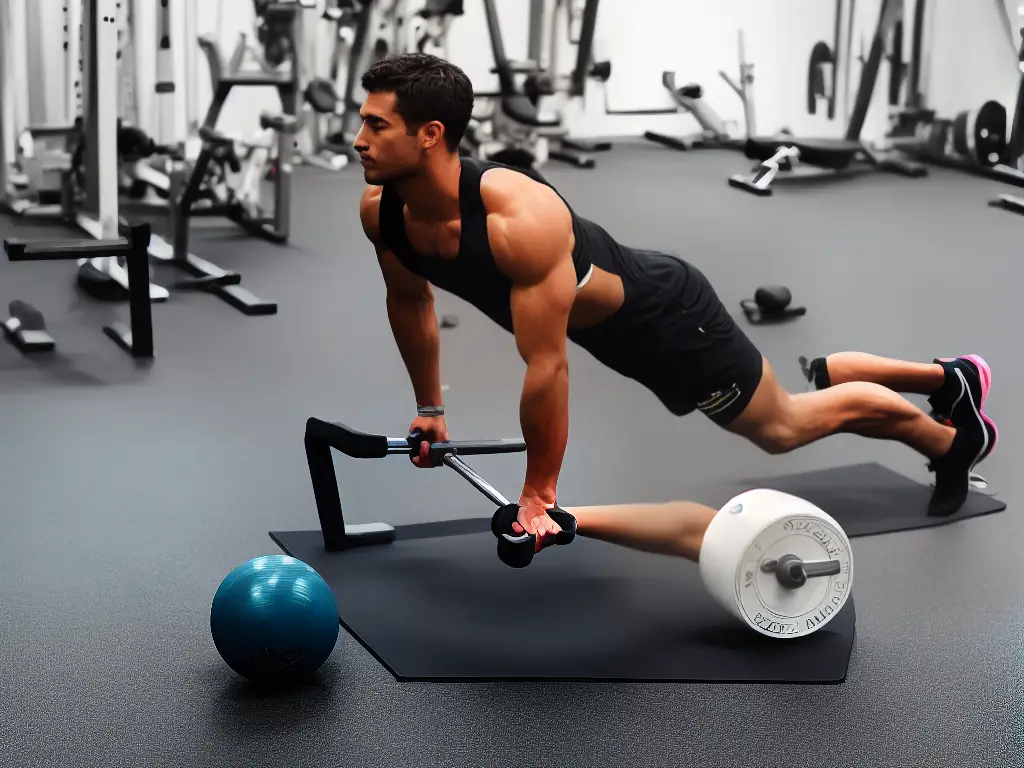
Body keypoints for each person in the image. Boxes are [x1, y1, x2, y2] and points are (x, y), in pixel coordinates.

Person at [354, 53, 997, 557]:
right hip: (612, 335)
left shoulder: (518, 219)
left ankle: (947, 438)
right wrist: (430, 409)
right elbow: (409, 301)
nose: (357, 138)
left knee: (781, 428)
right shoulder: (383, 213)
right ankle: (949, 379)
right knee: (782, 421)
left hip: (666, 317)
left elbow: (545, 366)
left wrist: (537, 495)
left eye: (375, 125)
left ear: (431, 135)